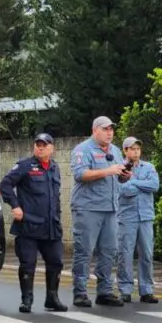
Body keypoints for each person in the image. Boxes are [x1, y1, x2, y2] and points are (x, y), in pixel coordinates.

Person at [0, 133, 68, 313]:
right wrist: (15, 206)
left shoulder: (54, 168)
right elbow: (5, 184)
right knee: (28, 263)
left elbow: (55, 196)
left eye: (44, 145)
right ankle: (27, 300)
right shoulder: (25, 166)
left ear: (52, 148)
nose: (40, 147)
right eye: (38, 144)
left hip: (51, 226)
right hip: (29, 225)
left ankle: (52, 298)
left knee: (55, 262)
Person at [69, 116, 130, 308]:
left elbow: (118, 177)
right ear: (95, 130)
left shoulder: (116, 151)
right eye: (105, 129)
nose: (110, 132)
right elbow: (80, 174)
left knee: (110, 251)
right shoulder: (83, 149)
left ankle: (104, 291)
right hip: (88, 207)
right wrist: (109, 171)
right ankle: (80, 292)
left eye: (111, 129)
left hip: (110, 208)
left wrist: (124, 176)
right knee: (84, 250)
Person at [116, 136, 160, 303]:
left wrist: (133, 181)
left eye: (138, 149)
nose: (136, 151)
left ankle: (146, 290)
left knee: (147, 254)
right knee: (125, 254)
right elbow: (124, 190)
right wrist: (142, 184)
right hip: (127, 216)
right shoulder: (119, 168)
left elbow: (154, 186)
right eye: (132, 148)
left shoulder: (149, 167)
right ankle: (125, 289)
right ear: (125, 150)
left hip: (146, 216)